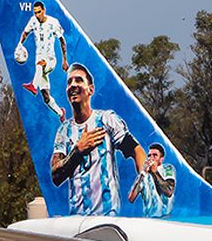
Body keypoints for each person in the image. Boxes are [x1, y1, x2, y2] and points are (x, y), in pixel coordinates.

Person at [50, 63, 145, 215]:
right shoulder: (64, 131)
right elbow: (55, 176)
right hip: (77, 220)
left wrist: (142, 178)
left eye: (78, 80)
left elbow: (136, 149)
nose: (73, 85)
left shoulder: (106, 120)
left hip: (107, 216)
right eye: (69, 82)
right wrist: (77, 151)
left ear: (91, 90)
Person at [16, 0, 69, 120]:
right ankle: (61, 113)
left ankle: (33, 85)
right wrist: (19, 44)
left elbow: (62, 41)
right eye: (35, 12)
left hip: (50, 59)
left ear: (44, 10)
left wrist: (64, 60)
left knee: (41, 64)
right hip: (38, 59)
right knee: (46, 96)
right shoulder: (33, 21)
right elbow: (25, 33)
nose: (37, 15)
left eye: (39, 12)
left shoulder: (53, 22)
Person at [127, 141, 177, 218]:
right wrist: (142, 174)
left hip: (165, 218)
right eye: (149, 155)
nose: (151, 158)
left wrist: (155, 172)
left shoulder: (167, 169)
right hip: (149, 220)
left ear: (161, 159)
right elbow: (131, 198)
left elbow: (169, 191)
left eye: (155, 155)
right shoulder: (144, 176)